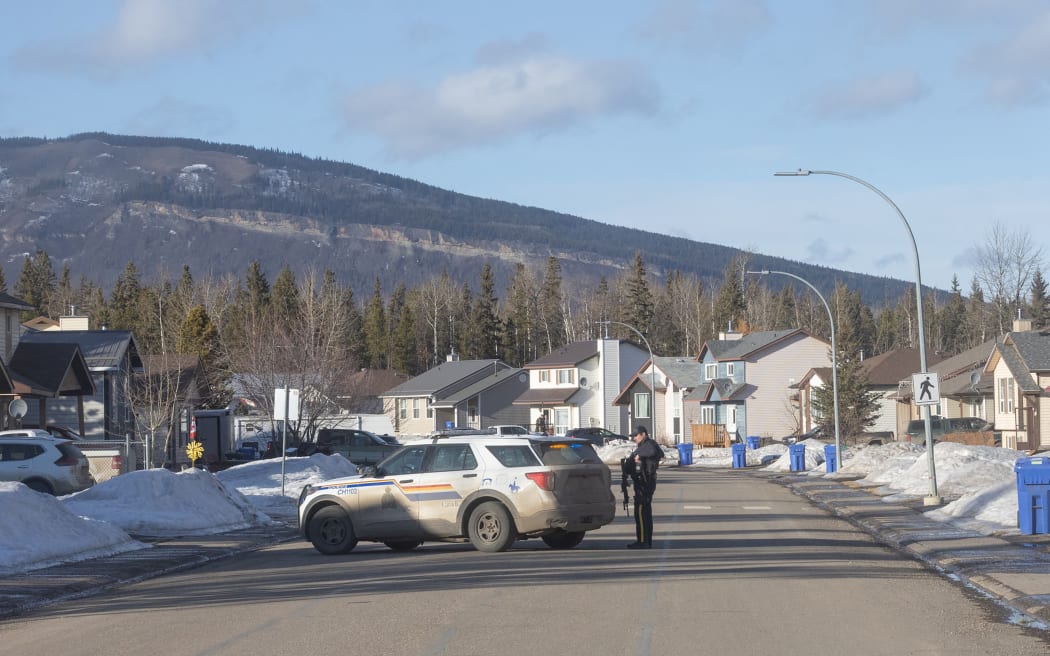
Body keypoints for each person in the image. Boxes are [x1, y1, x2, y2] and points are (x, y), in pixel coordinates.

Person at [625, 425, 663, 548]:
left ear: (643, 434)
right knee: (644, 513)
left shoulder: (649, 445)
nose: (634, 438)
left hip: (645, 483)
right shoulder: (643, 446)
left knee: (641, 513)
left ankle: (642, 541)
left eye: (636, 435)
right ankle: (646, 540)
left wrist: (638, 454)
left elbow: (654, 452)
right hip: (643, 483)